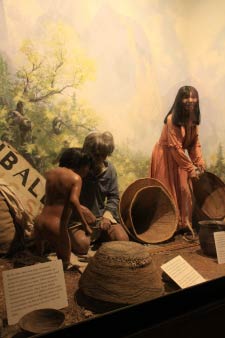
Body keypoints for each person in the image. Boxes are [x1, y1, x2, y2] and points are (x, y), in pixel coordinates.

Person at [149, 85, 205, 235]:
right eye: (186, 97)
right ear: (179, 100)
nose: (190, 100)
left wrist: (199, 161)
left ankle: (183, 223)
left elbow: (194, 143)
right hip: (166, 155)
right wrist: (190, 168)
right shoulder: (172, 119)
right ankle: (167, 227)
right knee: (168, 191)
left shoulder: (193, 119)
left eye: (193, 97)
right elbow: (175, 149)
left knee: (185, 190)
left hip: (179, 157)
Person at [68, 131, 129, 255]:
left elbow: (113, 197)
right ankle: (82, 238)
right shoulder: (76, 168)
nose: (100, 159)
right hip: (78, 220)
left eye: (104, 155)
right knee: (82, 246)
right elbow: (61, 195)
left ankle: (98, 237)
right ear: (87, 151)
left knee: (123, 240)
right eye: (96, 155)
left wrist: (107, 216)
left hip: (101, 219)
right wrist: (81, 210)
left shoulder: (110, 170)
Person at [34, 148, 93, 269]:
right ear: (81, 164)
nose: (88, 170)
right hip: (56, 226)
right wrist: (85, 224)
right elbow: (73, 200)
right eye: (88, 166)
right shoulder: (76, 178)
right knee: (64, 263)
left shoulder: (50, 173)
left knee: (37, 259)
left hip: (39, 222)